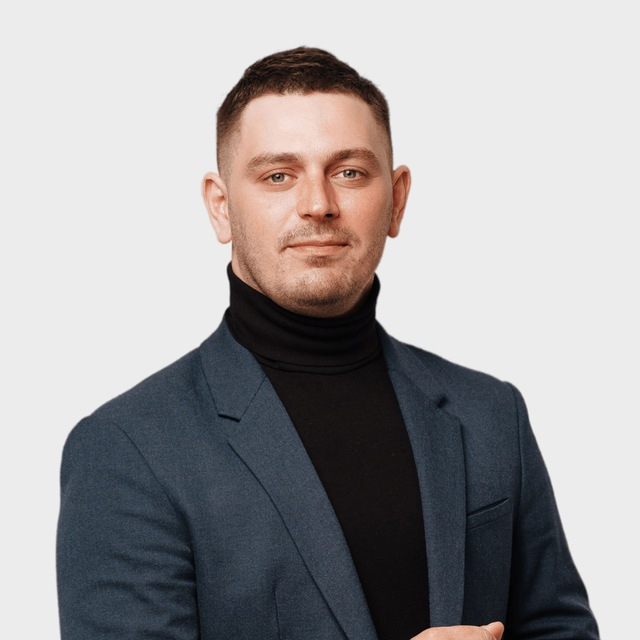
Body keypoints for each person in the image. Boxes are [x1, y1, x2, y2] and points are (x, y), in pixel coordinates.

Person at [56, 46, 599, 640]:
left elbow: (560, 628)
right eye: (278, 176)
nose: (318, 204)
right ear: (221, 207)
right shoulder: (127, 449)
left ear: (397, 199)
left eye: (349, 173)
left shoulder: (491, 414)